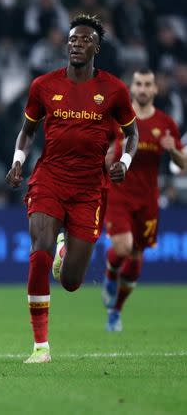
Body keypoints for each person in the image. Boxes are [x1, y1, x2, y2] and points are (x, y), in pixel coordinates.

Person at [5, 15, 139, 363]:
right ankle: (40, 347)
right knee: (39, 251)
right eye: (72, 39)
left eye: (84, 40)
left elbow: (133, 134)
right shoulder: (44, 85)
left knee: (72, 282)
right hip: (49, 177)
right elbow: (28, 130)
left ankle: (65, 254)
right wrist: (19, 158)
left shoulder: (114, 90)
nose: (76, 44)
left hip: (90, 188)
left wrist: (123, 163)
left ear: (96, 47)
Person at [102, 69, 185, 331]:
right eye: (139, 83)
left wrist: (173, 151)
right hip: (119, 194)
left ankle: (116, 311)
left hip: (148, 200)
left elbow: (182, 164)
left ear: (155, 89)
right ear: (132, 87)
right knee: (124, 247)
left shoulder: (166, 123)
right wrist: (107, 157)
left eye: (148, 84)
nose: (143, 88)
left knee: (136, 257)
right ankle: (110, 274)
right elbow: (101, 153)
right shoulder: (118, 120)